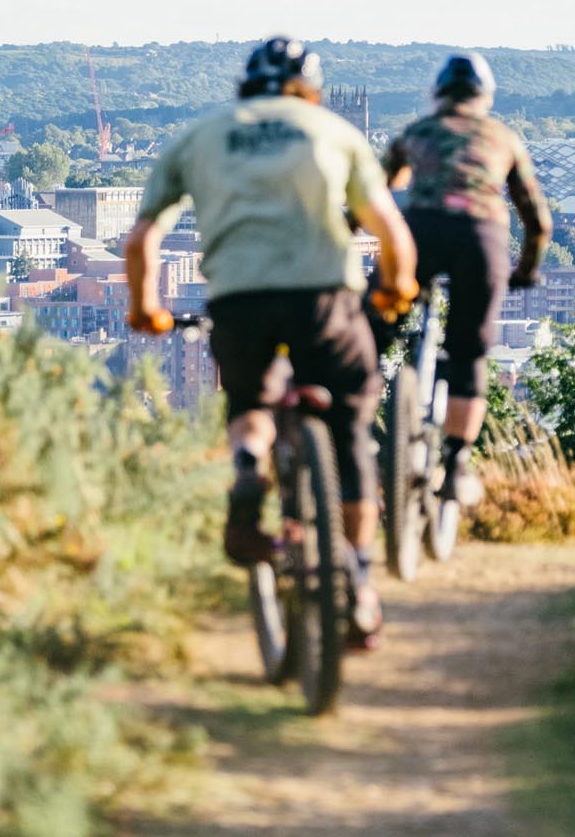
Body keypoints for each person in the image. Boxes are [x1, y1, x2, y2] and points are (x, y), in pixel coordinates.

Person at [125, 36, 417, 647]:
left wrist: (146, 308)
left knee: (250, 407)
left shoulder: (201, 136)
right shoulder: (331, 130)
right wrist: (395, 289)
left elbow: (140, 241)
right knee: (352, 431)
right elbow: (390, 229)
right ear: (309, 88)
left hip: (239, 300)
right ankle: (359, 585)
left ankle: (248, 468)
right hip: (324, 299)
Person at [376, 51, 552, 503]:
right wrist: (525, 271)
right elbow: (536, 219)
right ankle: (455, 464)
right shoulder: (502, 138)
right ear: (485, 97)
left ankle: (360, 404)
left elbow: (377, 194)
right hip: (480, 239)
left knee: (374, 325)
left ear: (437, 96)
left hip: (421, 234)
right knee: (469, 352)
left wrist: (347, 235)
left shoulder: (417, 133)